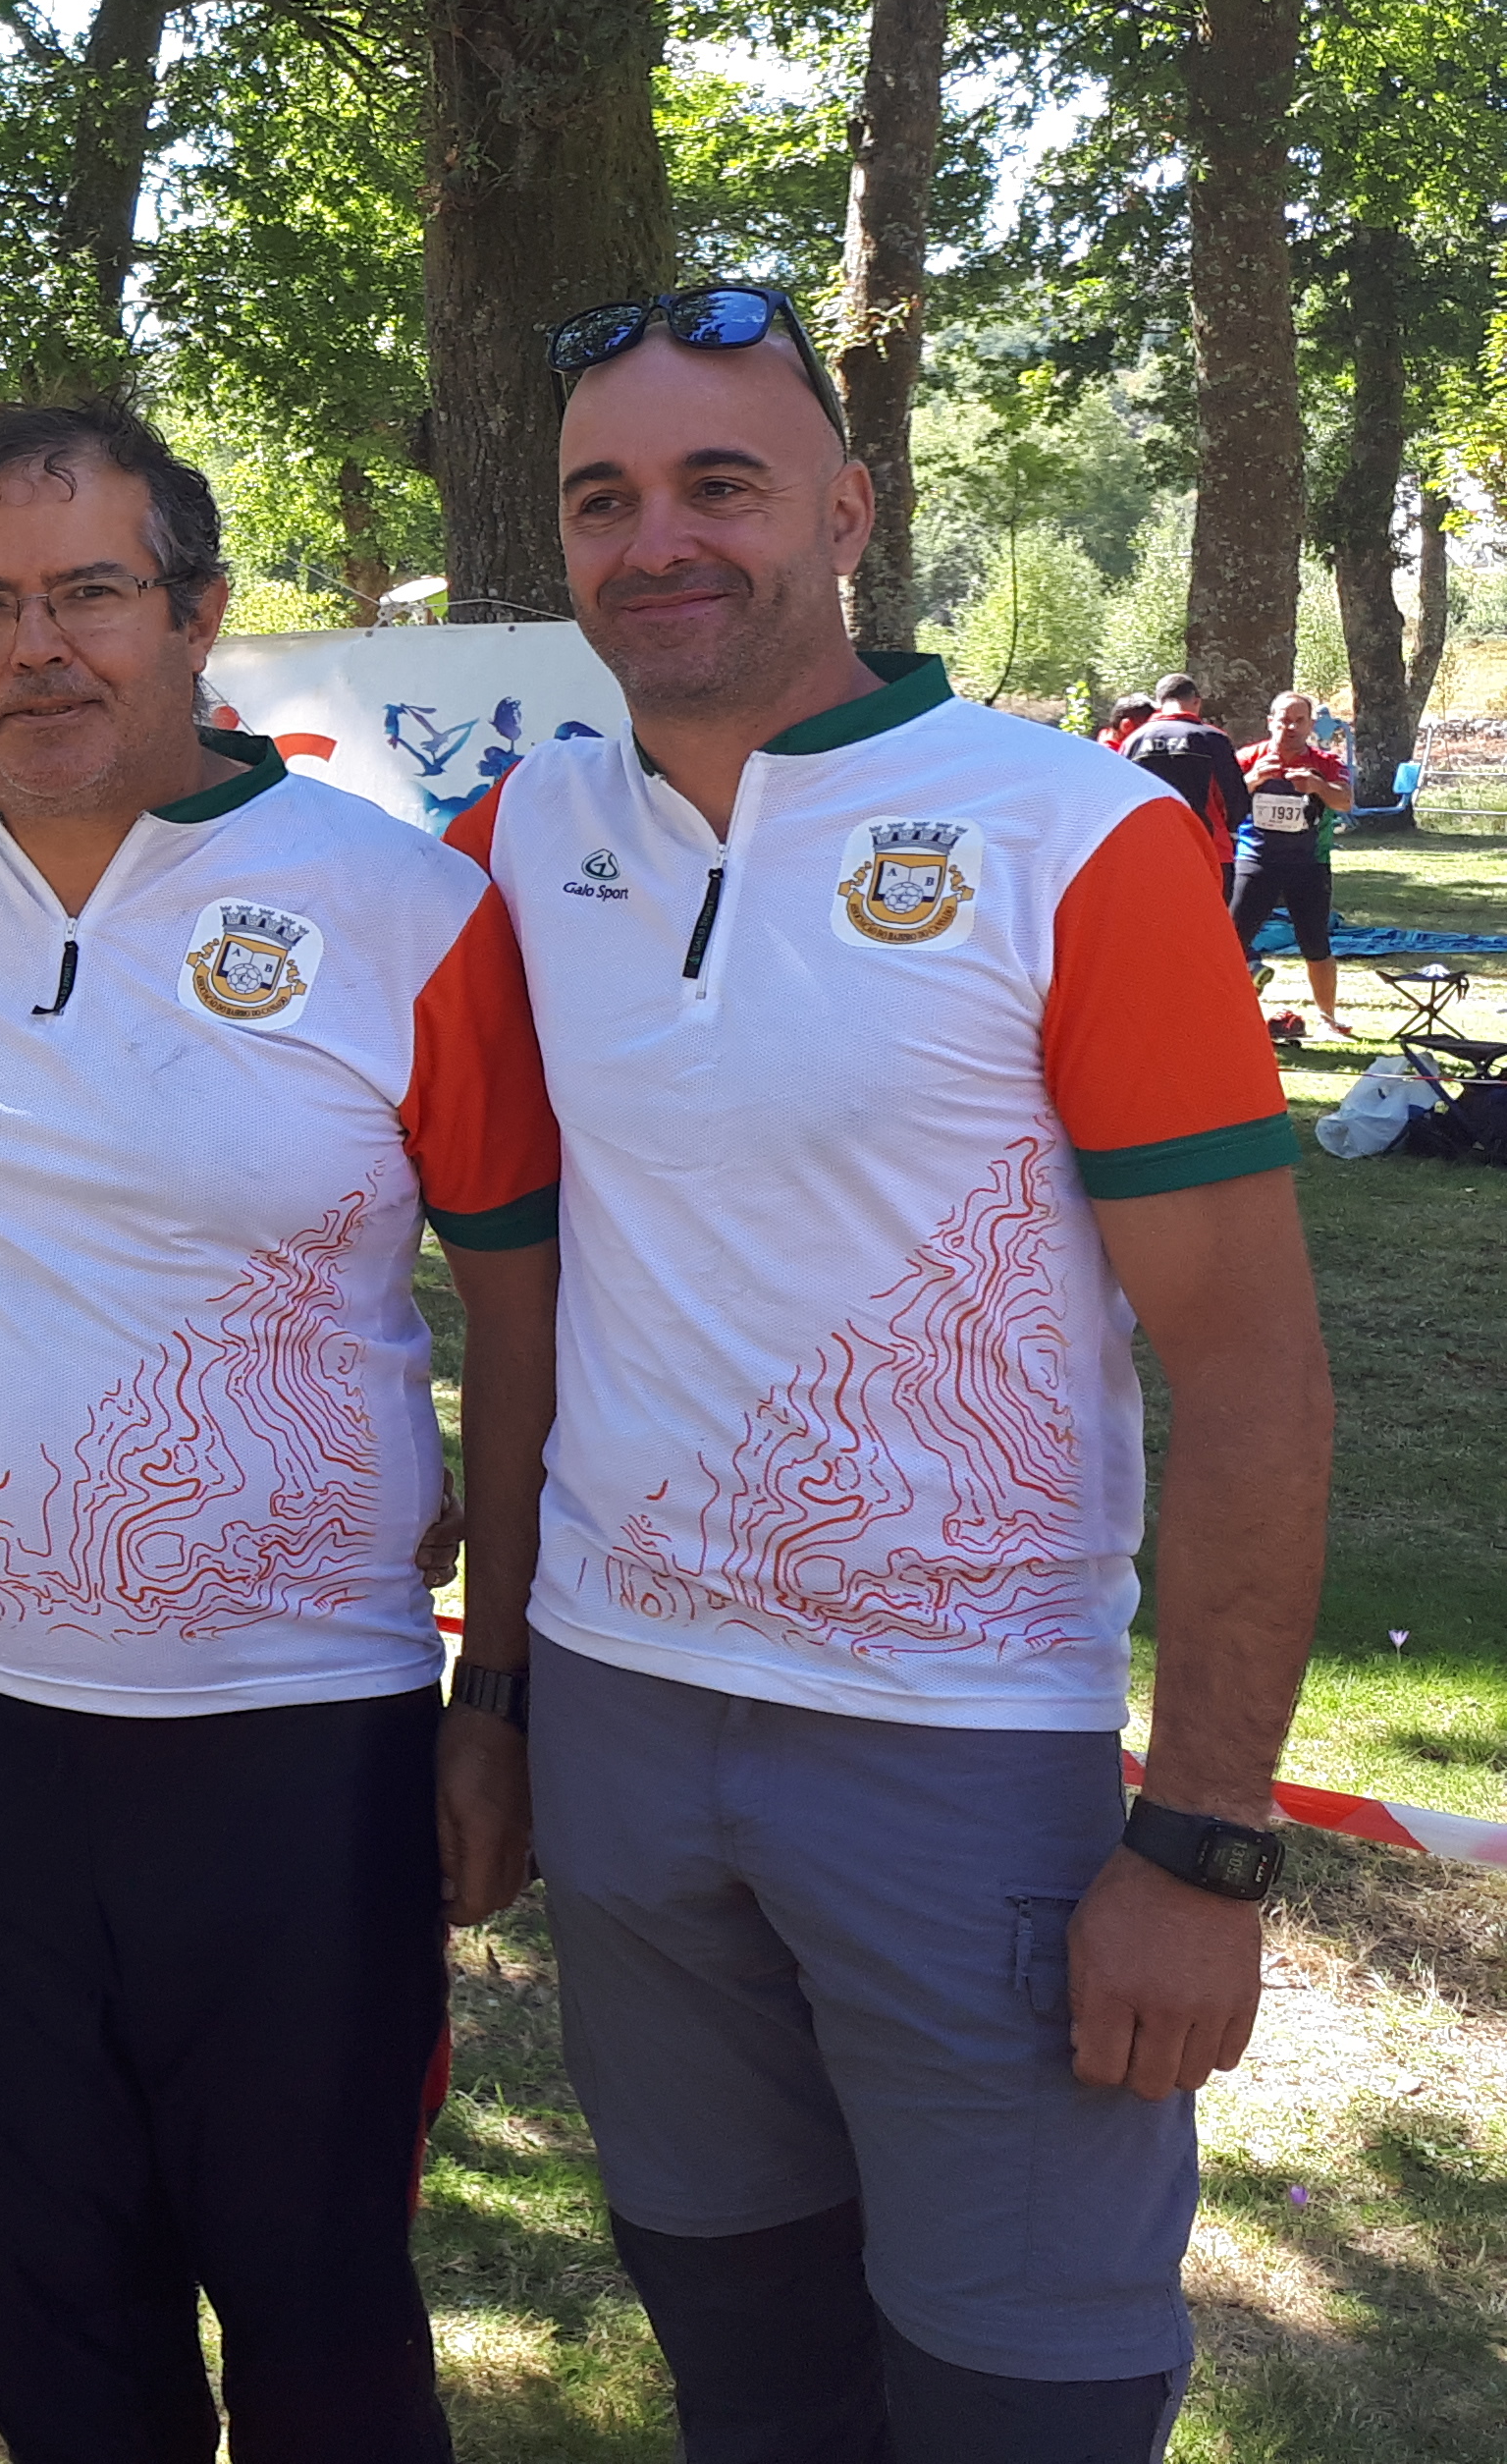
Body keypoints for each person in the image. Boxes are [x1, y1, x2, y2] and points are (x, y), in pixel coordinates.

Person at [469, 285, 1328, 2459]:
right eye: (604, 499)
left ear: (846, 514)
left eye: (720, 486)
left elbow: (1245, 1376)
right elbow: (183, 844)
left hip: (963, 1753)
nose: (657, 539)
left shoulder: (1077, 838)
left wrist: (1207, 1840)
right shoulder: (520, 844)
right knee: (742, 2351)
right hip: (625, 1723)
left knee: (1017, 2386)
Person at [0, 401, 563, 2463]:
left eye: (88, 595)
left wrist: (492, 1690)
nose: (35, 647)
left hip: (295, 1727)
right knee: (53, 2291)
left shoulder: (403, 905)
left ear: (200, 613)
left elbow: (523, 1314)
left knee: (319, 2293)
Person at [1235, 689, 1353, 1036]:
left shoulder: (1325, 762)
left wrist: (1317, 785)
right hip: (1255, 858)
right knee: (1233, 940)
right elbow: (1224, 800)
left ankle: (1328, 1018)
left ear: (1311, 724)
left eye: (1299, 720)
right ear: (1270, 722)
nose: (1290, 727)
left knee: (1315, 942)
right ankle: (1227, 1010)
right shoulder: (1248, 757)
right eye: (1284, 720)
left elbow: (1345, 802)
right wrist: (1254, 779)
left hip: (1308, 861)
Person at [1117, 675, 1251, 843]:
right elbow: (1234, 800)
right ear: (1196, 702)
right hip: (1205, 846)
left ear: (1159, 704)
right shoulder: (1213, 739)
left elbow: (1122, 795)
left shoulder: (1133, 741)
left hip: (1148, 842)